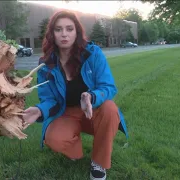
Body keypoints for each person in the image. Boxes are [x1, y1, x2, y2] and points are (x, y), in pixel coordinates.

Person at [22, 10, 129, 180]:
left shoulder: (93, 53)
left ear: (77, 32)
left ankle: (99, 162)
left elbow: (108, 86)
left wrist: (91, 97)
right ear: (52, 34)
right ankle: (74, 148)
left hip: (93, 111)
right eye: (58, 29)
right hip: (66, 113)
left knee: (110, 108)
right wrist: (39, 110)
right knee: (54, 139)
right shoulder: (46, 64)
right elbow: (49, 99)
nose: (64, 34)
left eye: (69, 29)